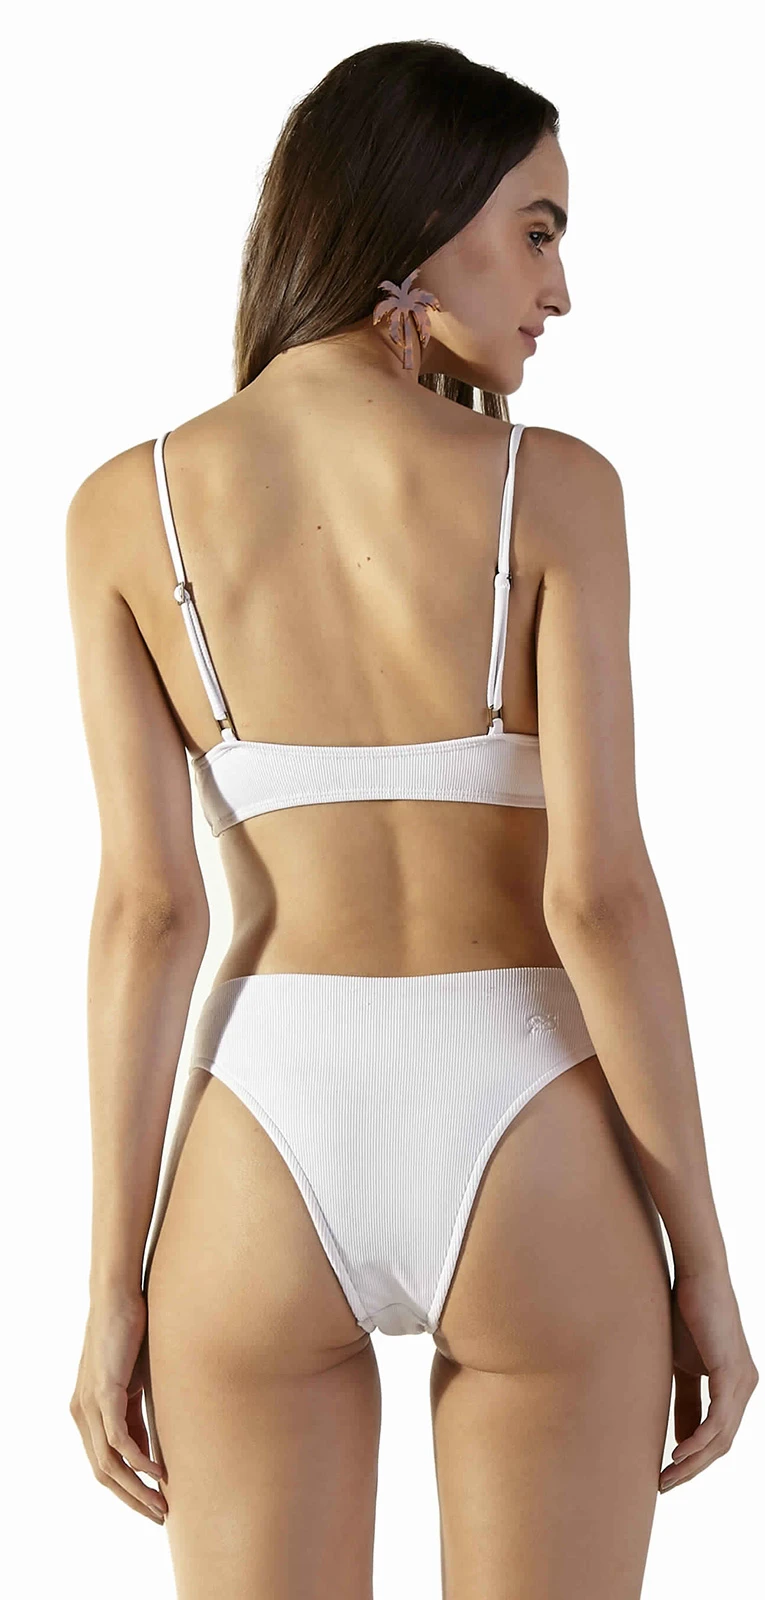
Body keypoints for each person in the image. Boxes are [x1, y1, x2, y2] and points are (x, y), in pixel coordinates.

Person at [66, 38, 757, 1599]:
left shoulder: (125, 510)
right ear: (421, 221)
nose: (559, 289)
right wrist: (704, 1259)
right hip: (529, 1128)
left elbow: (148, 913)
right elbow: (598, 899)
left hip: (258, 1141)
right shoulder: (553, 491)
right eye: (537, 230)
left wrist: (113, 1285)